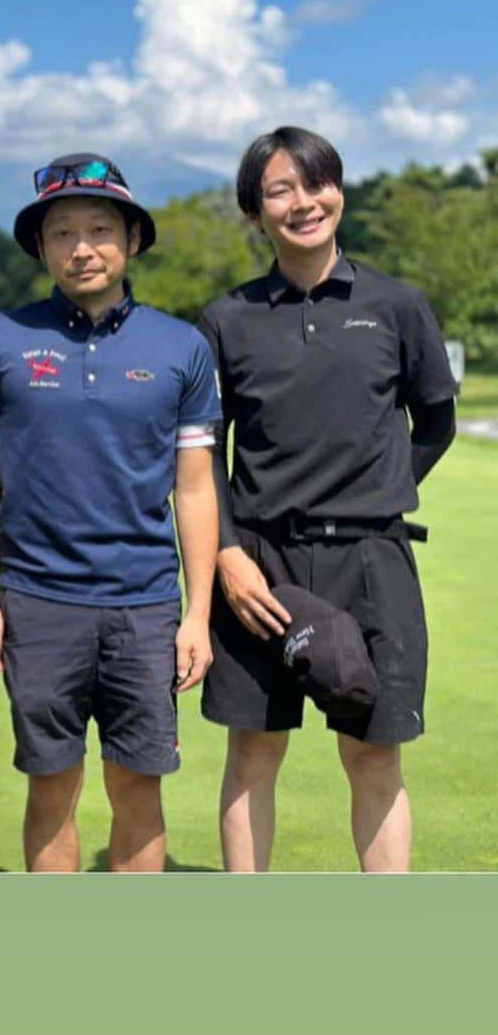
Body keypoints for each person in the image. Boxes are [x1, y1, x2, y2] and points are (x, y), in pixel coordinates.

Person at [198, 126, 458, 872]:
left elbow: (434, 420)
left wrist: (384, 486)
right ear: (256, 212)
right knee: (253, 752)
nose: (304, 203)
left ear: (339, 192)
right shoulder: (227, 320)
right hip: (258, 563)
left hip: (375, 560)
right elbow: (202, 455)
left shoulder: (396, 305)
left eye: (317, 184)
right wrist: (225, 554)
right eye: (281, 190)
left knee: (374, 758)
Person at [0, 153, 221, 872]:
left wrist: (197, 613)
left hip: (144, 604)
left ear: (132, 239)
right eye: (63, 232)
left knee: (139, 787)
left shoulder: (181, 346)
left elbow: (195, 488)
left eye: (100, 229)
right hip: (39, 601)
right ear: (40, 247)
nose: (82, 247)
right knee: (53, 787)